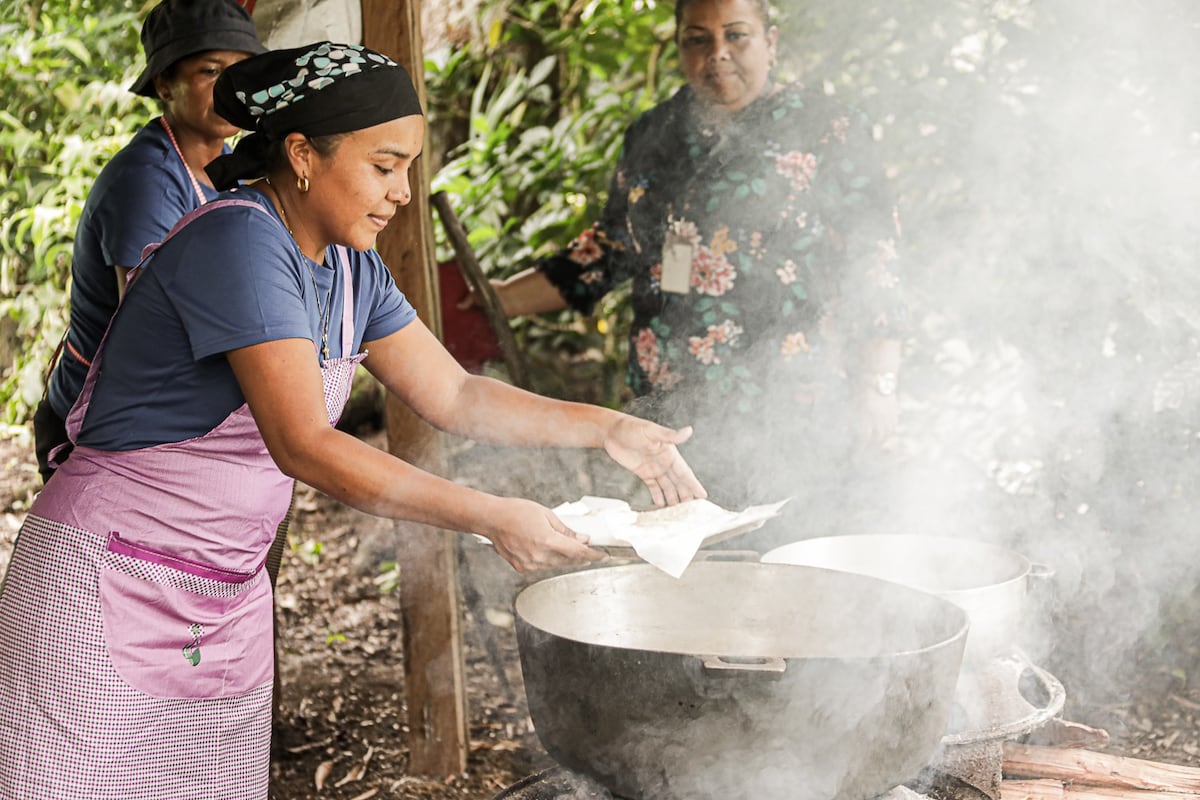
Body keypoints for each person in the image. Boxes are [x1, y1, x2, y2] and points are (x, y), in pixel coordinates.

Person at [0, 42, 705, 800]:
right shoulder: (239, 241)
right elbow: (305, 444)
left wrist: (606, 427)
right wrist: (491, 515)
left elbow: (456, 395)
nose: (402, 192)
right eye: (384, 166)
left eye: (408, 168)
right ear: (303, 155)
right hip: (105, 581)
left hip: (221, 597)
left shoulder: (350, 268)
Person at [485, 0, 906, 532]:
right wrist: (498, 298)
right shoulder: (652, 135)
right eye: (698, 39)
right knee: (698, 564)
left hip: (800, 400)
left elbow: (875, 262)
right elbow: (613, 248)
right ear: (679, 46)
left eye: (737, 35)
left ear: (771, 41)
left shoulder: (829, 130)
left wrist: (878, 384)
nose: (718, 54)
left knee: (797, 556)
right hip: (676, 416)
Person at [33, 0, 266, 483]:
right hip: (101, 429)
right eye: (210, 71)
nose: (231, 86)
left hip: (163, 412)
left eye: (241, 70)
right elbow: (152, 335)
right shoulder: (149, 182)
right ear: (164, 85)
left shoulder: (231, 167)